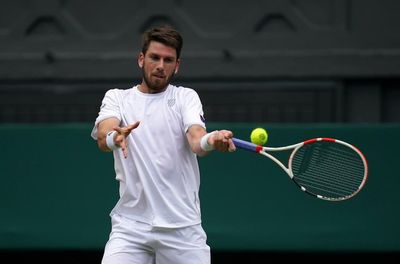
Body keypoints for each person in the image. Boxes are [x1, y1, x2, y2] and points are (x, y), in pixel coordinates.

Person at [91, 25, 236, 264]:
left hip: (182, 227)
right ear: (141, 59)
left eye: (168, 60)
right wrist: (114, 138)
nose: (160, 65)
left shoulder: (185, 97)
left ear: (177, 65)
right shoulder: (117, 97)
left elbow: (197, 140)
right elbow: (104, 135)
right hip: (131, 227)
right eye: (154, 57)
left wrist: (212, 140)